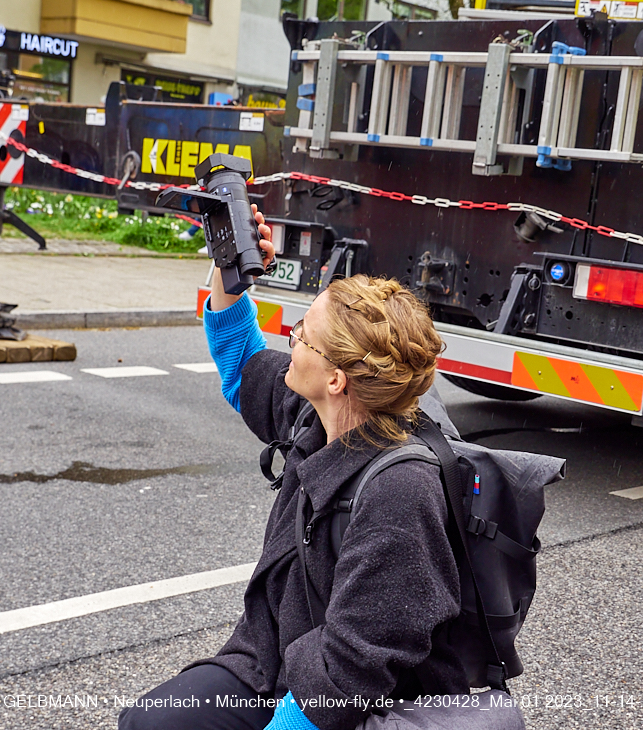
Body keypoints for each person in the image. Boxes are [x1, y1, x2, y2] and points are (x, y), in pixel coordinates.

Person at [118, 208, 466, 730]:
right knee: (152, 723)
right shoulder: (318, 415)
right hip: (271, 659)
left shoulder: (401, 489)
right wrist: (229, 264)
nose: (292, 336)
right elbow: (240, 361)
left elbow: (356, 667)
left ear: (336, 379)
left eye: (304, 333)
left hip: (359, 699)